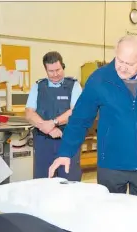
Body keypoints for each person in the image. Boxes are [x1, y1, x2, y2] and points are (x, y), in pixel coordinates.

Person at [48, 35, 137, 201]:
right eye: (120, 61)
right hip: (111, 165)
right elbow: (80, 119)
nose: (122, 68)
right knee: (109, 219)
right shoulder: (100, 78)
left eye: (129, 64)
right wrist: (65, 152)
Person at [25, 51, 83, 181]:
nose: (55, 74)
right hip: (43, 141)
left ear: (63, 66)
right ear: (45, 70)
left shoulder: (74, 85)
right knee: (43, 181)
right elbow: (29, 113)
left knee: (69, 180)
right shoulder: (38, 86)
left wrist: (53, 122)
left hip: (67, 140)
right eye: (51, 71)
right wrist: (47, 128)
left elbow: (75, 112)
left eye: (58, 69)